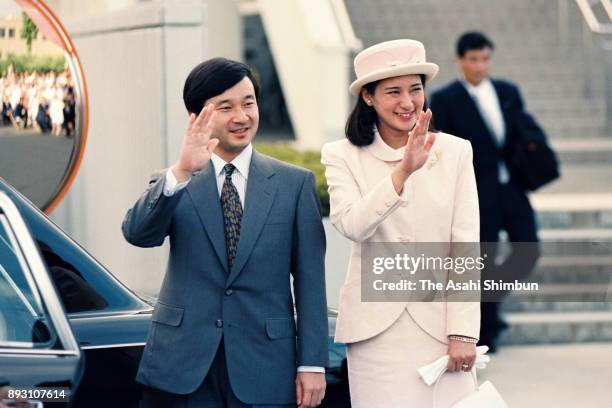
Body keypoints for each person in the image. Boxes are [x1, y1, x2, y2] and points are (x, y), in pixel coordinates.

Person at [122, 58, 328, 408]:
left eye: (248, 103)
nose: (242, 116)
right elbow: (139, 233)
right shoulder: (175, 180)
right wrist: (182, 171)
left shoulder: (294, 184)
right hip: (183, 367)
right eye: (226, 107)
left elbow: (310, 281)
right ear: (198, 116)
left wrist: (312, 363)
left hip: (264, 364)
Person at [321, 39, 480, 408]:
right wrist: (403, 172)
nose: (408, 103)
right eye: (393, 91)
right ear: (368, 97)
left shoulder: (455, 151)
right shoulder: (341, 155)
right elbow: (351, 224)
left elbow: (465, 245)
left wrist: (463, 332)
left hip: (441, 327)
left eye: (415, 89)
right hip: (375, 333)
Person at [430, 31, 541, 352]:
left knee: (528, 249)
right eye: (474, 59)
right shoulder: (446, 99)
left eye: (485, 59)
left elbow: (519, 132)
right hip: (476, 193)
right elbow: (444, 149)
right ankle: (486, 328)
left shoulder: (507, 92)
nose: (480, 66)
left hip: (512, 188)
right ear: (459, 61)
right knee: (483, 260)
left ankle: (488, 304)